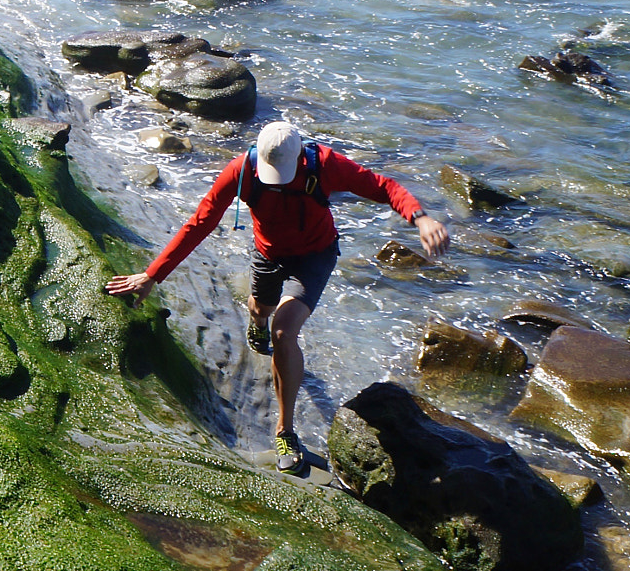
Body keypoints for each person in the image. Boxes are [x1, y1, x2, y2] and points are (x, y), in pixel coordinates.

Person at [104, 120, 448, 474]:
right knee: (261, 310)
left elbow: (383, 186)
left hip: (315, 256)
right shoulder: (241, 171)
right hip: (268, 254)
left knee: (283, 332)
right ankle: (258, 321)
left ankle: (285, 430)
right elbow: (200, 222)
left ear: (299, 156)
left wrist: (419, 218)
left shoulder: (325, 164)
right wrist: (151, 275)